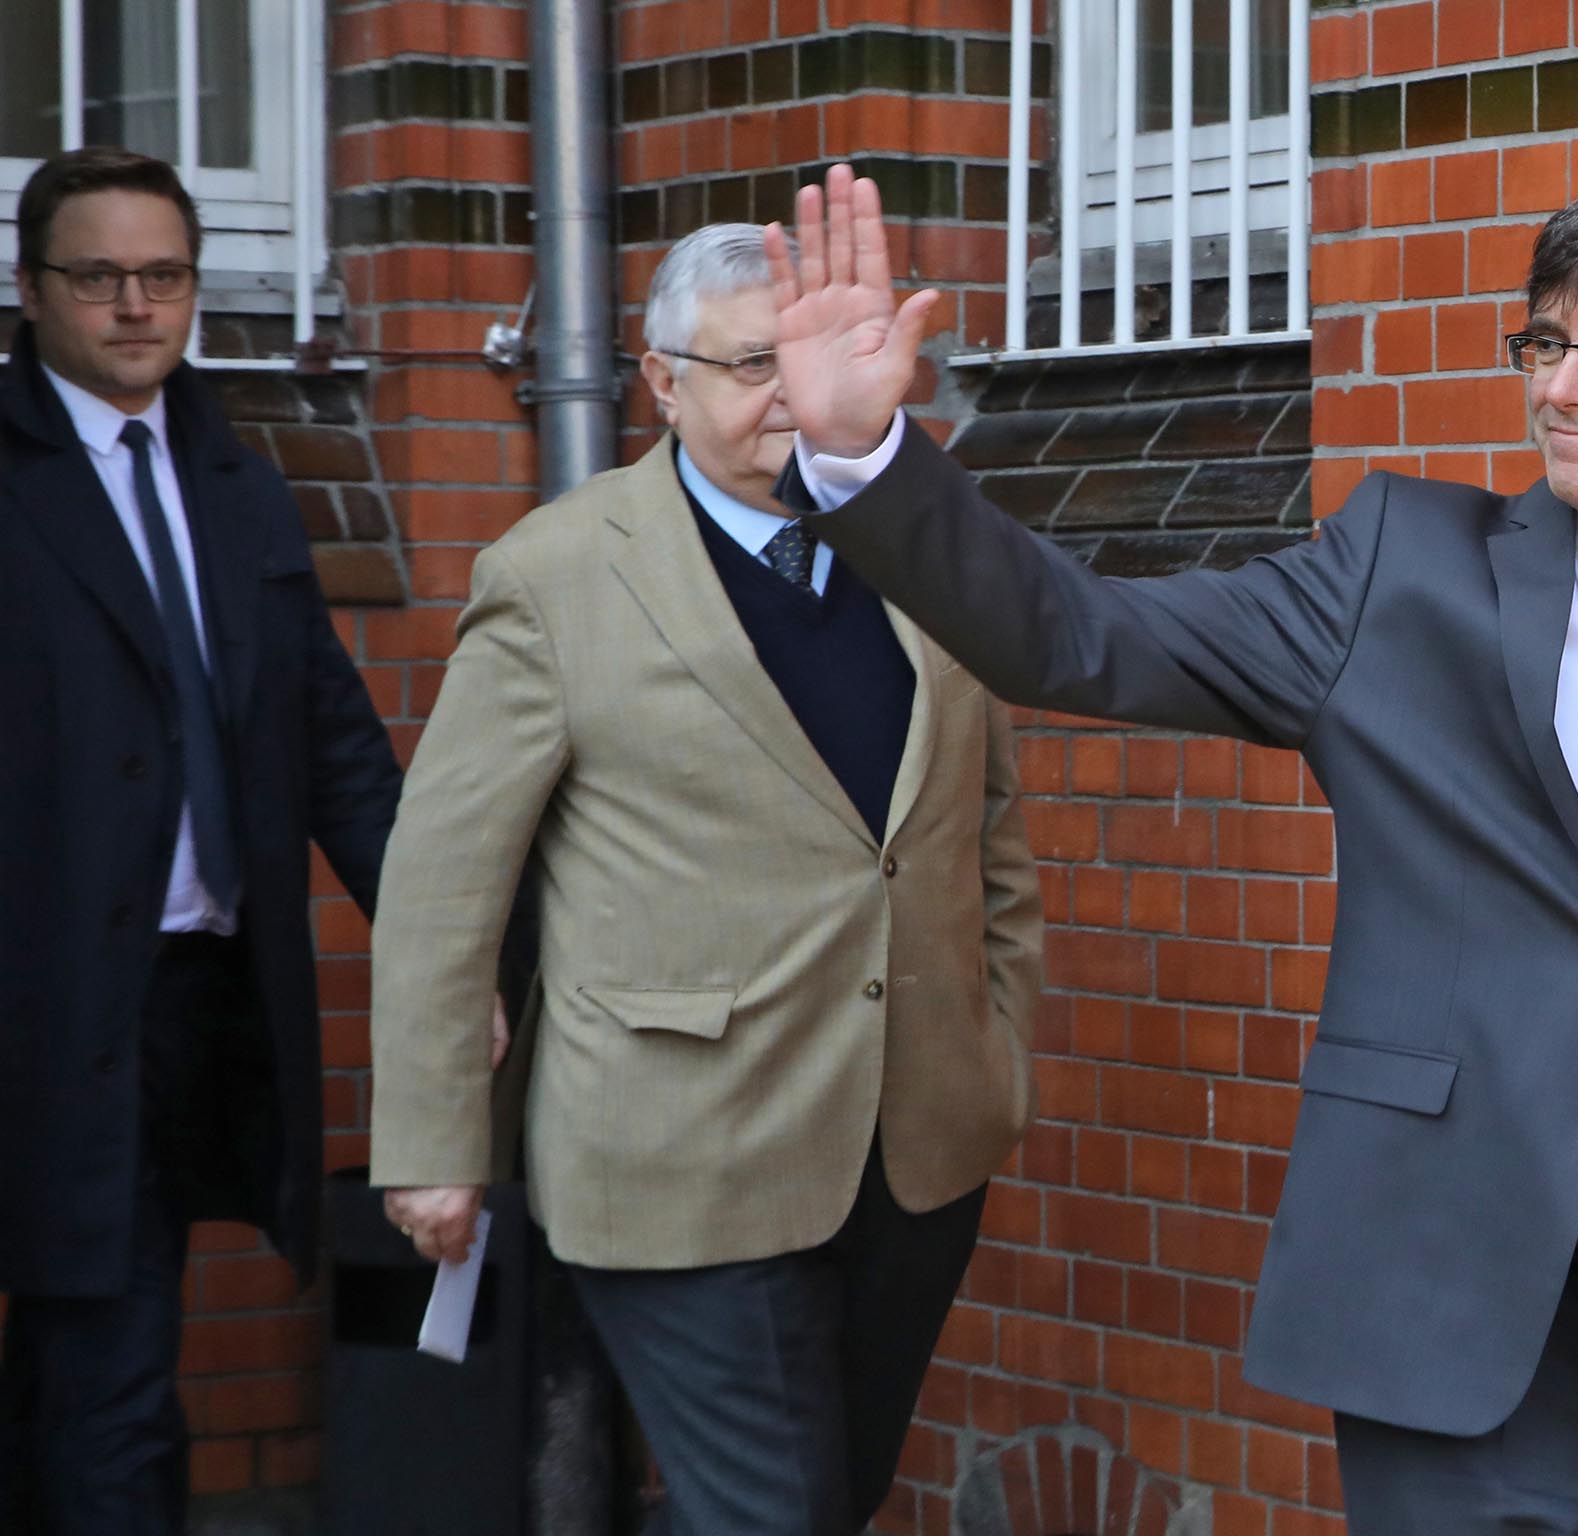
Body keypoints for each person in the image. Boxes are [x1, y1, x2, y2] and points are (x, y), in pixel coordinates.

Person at [764, 163, 1578, 1534]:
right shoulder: (1398, 574)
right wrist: (866, 460)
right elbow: (1082, 637)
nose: (1558, 387)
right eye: (1545, 342)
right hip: (1460, 1336)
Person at [368, 222, 1044, 1534]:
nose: (793, 397)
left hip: (912, 1149)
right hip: (678, 1156)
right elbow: (446, 879)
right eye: (752, 367)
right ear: (661, 382)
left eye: (813, 357)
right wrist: (433, 1141)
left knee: (820, 1504)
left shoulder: (923, 537)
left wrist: (995, 1043)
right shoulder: (558, 576)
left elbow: (987, 830)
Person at [0, 148, 403, 1534]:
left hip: (204, 997)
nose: (133, 307)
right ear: (30, 288)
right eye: (97, 277)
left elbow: (335, 744)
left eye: (162, 276)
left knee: (115, 1352)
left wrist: (452, 940)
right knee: (102, 1370)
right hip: (48, 1007)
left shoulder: (232, 480)